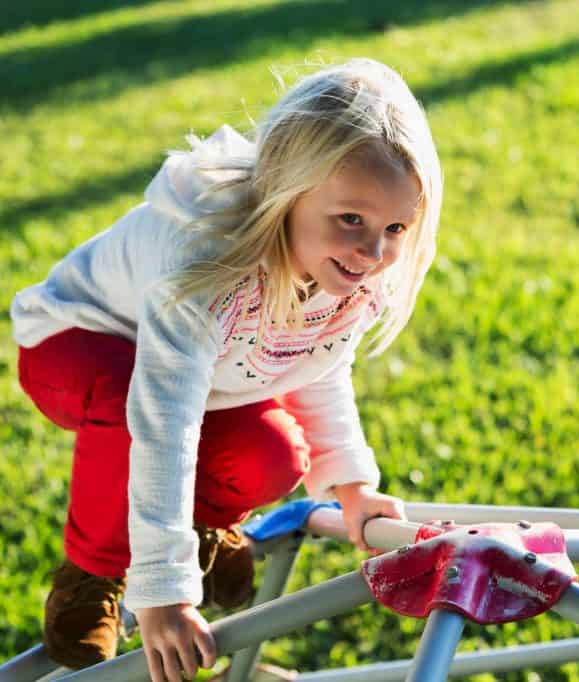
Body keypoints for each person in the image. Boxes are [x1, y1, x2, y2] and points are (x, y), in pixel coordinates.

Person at [11, 57, 442, 682]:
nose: (374, 251)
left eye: (395, 228)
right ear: (286, 190)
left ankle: (205, 529)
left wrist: (351, 482)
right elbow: (164, 417)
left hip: (198, 376)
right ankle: (92, 575)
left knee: (272, 454)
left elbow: (316, 367)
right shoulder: (207, 256)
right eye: (351, 218)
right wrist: (162, 590)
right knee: (131, 405)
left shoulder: (345, 268)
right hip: (76, 342)